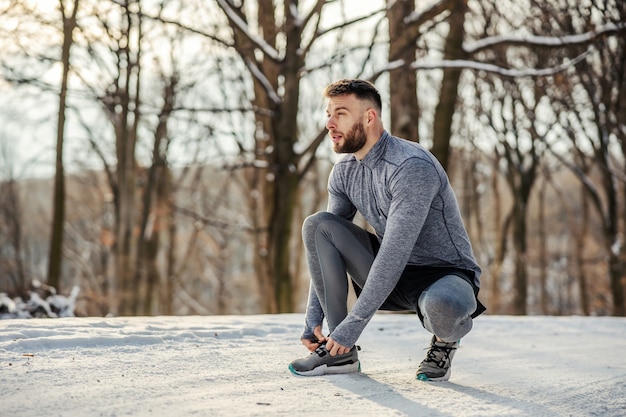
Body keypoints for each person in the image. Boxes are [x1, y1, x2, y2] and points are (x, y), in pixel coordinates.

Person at [288, 79, 485, 381]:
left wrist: (352, 327)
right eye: (328, 113)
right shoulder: (344, 171)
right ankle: (340, 354)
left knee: (442, 306)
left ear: (369, 118)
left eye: (340, 113)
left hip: (444, 275)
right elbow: (323, 242)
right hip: (387, 275)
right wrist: (314, 317)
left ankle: (445, 341)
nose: (329, 123)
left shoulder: (411, 166)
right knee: (318, 224)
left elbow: (395, 251)